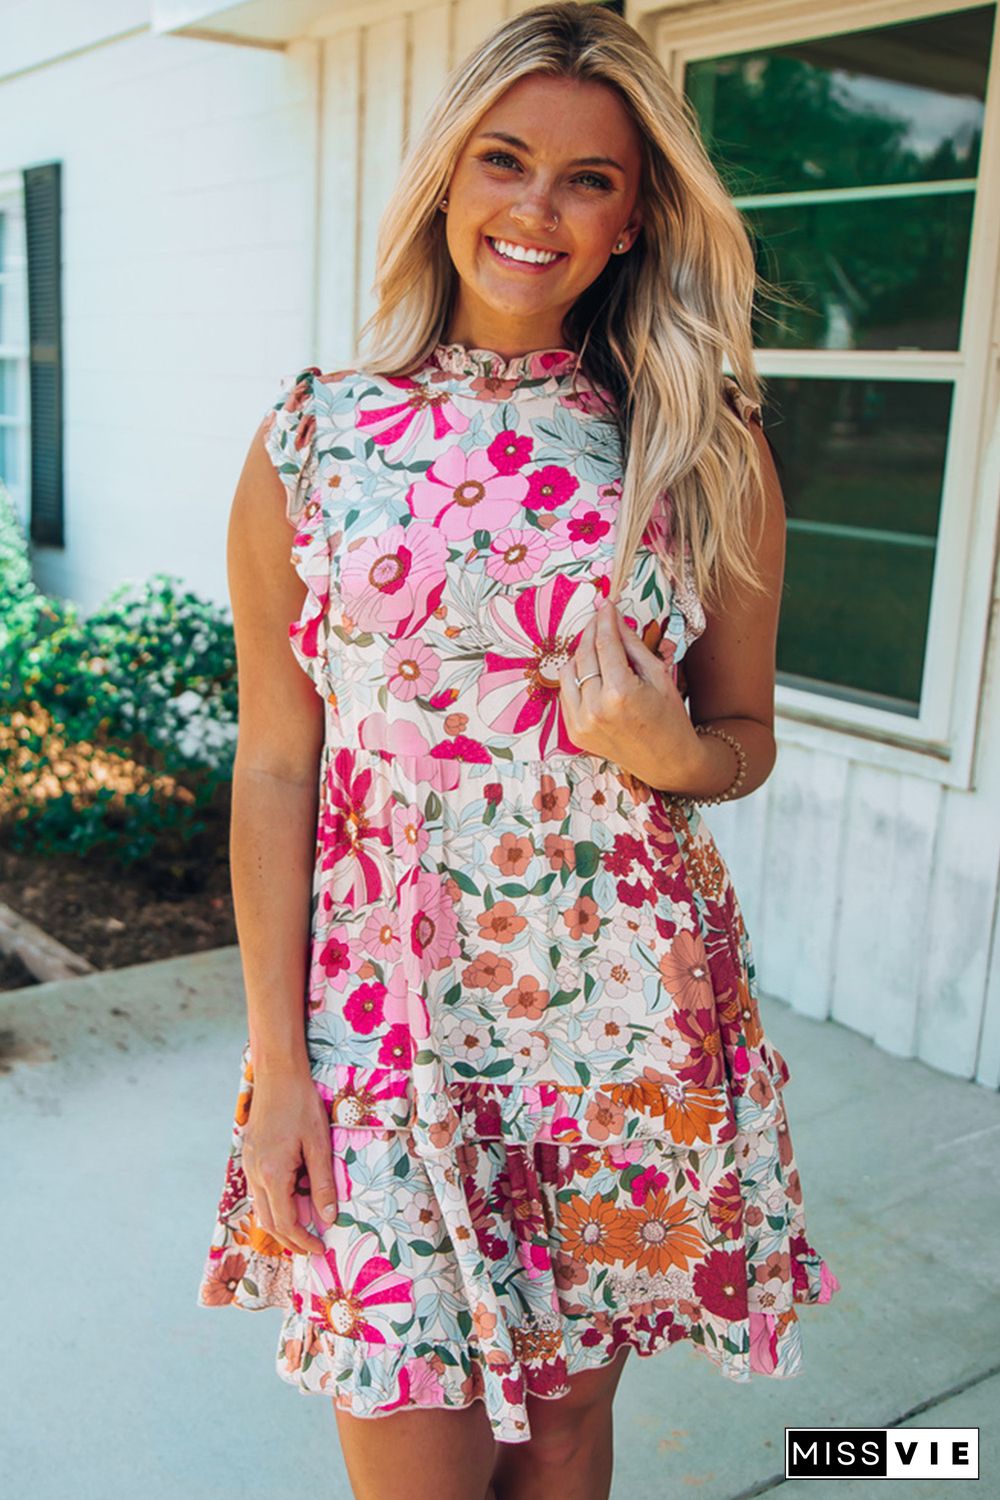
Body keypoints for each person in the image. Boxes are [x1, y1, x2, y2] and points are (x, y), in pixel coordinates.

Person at [196, 5, 840, 1497]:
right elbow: (278, 764)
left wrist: (670, 751)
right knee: (411, 1448)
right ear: (447, 180)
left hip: (613, 1022)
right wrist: (279, 1065)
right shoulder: (317, 438)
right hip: (382, 1021)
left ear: (634, 220)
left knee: (562, 1438)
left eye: (589, 180)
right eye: (505, 160)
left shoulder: (703, 442)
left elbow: (746, 741)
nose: (536, 210)